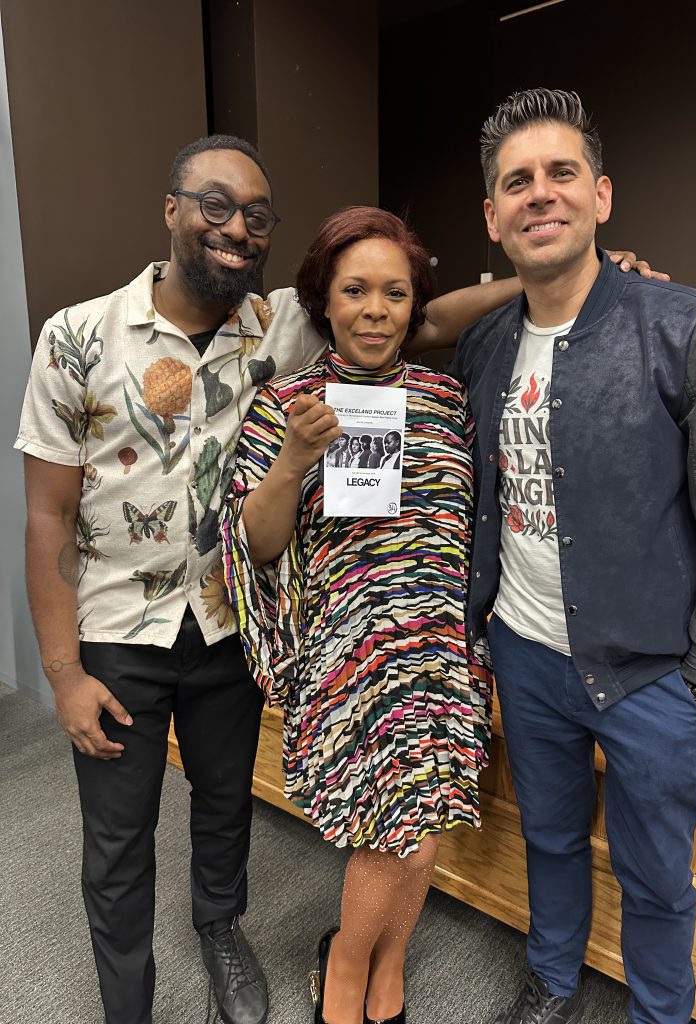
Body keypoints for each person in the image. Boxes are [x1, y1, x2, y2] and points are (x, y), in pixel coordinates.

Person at [14, 134, 542, 1024]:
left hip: (228, 625)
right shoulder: (76, 336)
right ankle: (126, 1006)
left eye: (257, 216)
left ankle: (221, 933)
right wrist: (62, 672)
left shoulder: (279, 324)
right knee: (118, 836)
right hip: (118, 629)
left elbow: (422, 316)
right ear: (171, 208)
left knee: (225, 806)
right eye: (215, 205)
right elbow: (47, 517)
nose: (236, 229)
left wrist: (556, 276)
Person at [452, 89, 696, 1024]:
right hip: (525, 653)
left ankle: (660, 1014)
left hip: (653, 672)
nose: (540, 193)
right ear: (492, 216)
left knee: (657, 876)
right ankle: (553, 981)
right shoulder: (485, 345)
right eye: (517, 182)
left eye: (562, 173)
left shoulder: (690, 329)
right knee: (549, 839)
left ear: (601, 196)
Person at [219, 207, 495, 1024]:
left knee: (424, 820)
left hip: (440, 648)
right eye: (355, 291)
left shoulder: (446, 400)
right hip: (349, 651)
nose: (376, 310)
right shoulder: (287, 405)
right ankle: (345, 964)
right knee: (392, 831)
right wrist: (295, 459)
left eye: (395, 293)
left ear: (414, 306)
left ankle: (385, 964)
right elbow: (257, 544)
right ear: (324, 301)